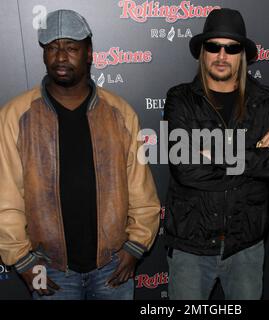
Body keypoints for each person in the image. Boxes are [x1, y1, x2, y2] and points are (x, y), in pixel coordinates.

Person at [0, 9, 160, 300]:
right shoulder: (15, 116)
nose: (61, 57)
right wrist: (22, 261)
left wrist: (136, 245)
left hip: (113, 268)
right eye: (52, 48)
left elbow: (141, 190)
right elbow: (5, 197)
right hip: (49, 271)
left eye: (71, 48)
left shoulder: (119, 113)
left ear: (89, 53)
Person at [163, 8, 269, 300]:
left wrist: (213, 153)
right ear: (202, 53)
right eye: (213, 46)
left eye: (231, 48)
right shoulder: (180, 98)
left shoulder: (264, 100)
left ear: (242, 54)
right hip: (190, 247)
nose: (222, 55)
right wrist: (253, 156)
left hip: (245, 247)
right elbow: (184, 166)